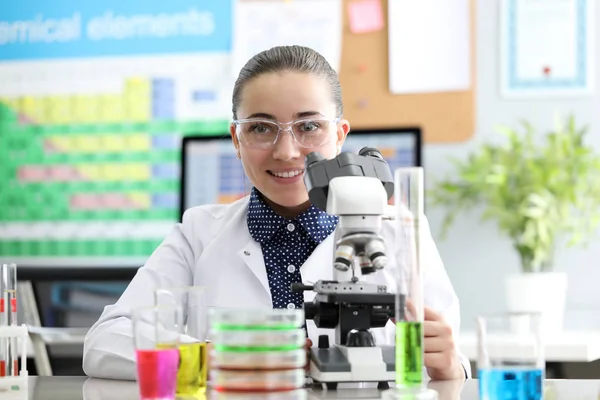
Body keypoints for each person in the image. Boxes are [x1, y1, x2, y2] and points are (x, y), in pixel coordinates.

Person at [82, 45, 470, 381]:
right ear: (237, 139)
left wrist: (452, 366)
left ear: (340, 135)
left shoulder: (401, 231)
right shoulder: (197, 233)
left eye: (309, 126)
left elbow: (451, 362)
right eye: (261, 129)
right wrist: (224, 357)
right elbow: (104, 343)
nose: (286, 151)